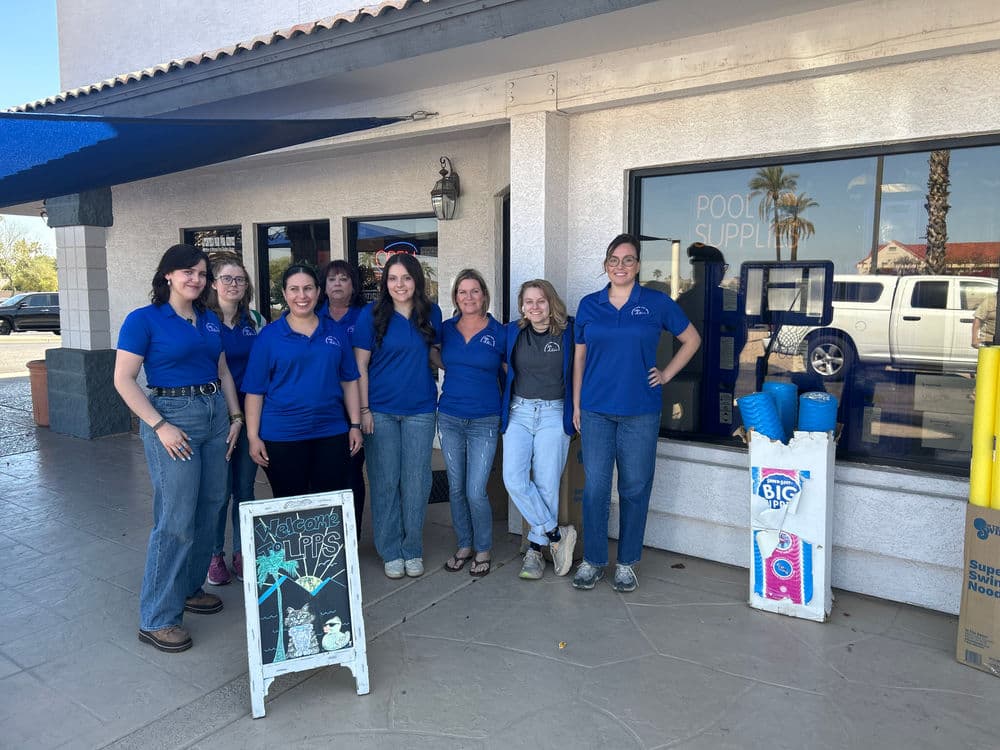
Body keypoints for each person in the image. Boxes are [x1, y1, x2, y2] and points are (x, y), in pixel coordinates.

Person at [113, 243, 244, 653]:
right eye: (188, 271)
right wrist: (159, 425)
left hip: (214, 415)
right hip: (173, 416)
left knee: (211, 507)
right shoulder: (145, 320)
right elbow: (123, 380)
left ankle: (189, 588)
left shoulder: (207, 320)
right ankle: (157, 617)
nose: (196, 279)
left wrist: (236, 417)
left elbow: (222, 370)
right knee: (175, 517)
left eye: (202, 274)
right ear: (167, 275)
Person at [572, 233, 701, 593]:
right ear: (605, 265)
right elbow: (579, 358)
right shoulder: (589, 305)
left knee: (634, 487)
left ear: (638, 265)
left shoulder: (656, 303)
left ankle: (627, 562)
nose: (621, 266)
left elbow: (692, 339)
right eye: (614, 260)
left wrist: (667, 374)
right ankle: (594, 560)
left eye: (628, 260)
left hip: (640, 411)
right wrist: (577, 404)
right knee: (596, 488)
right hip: (596, 410)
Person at [353, 253, 442, 579]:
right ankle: (390, 549)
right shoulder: (371, 315)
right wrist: (363, 411)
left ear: (416, 280)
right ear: (384, 282)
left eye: (406, 278)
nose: (400, 284)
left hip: (420, 408)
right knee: (385, 481)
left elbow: (438, 354)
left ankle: (412, 548)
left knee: (417, 482)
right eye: (393, 278)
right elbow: (359, 366)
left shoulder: (431, 313)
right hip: (381, 411)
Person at [242, 263, 363, 501]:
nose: (301, 296)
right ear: (285, 294)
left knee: (329, 503)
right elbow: (255, 392)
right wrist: (253, 437)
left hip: (331, 432)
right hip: (282, 435)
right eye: (294, 289)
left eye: (308, 288)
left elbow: (349, 381)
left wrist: (355, 425)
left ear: (318, 292)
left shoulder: (335, 332)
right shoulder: (269, 336)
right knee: (290, 503)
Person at [501, 279, 577, 580]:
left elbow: (585, 364)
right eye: (528, 301)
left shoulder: (570, 331)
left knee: (546, 482)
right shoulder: (512, 332)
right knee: (514, 478)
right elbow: (500, 366)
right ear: (522, 306)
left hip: (554, 411)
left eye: (540, 300)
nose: (534, 306)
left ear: (552, 303)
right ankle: (557, 536)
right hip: (519, 411)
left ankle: (535, 551)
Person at [437, 269, 506, 577]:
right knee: (455, 486)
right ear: (455, 297)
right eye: (462, 292)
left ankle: (483, 548)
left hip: (484, 419)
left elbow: (513, 369)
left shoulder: (498, 331)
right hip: (449, 415)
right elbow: (431, 353)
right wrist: (454, 368)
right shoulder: (446, 329)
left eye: (474, 291)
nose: (468, 297)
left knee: (476, 489)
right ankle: (464, 544)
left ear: (484, 295)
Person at [205, 254, 264, 586]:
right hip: (216, 417)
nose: (234, 285)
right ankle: (214, 554)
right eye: (227, 279)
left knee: (244, 487)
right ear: (214, 284)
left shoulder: (255, 320)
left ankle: (243, 553)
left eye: (240, 280)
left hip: (251, 414)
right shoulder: (202, 321)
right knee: (219, 489)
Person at [317, 260, 369, 534]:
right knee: (323, 475)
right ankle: (325, 538)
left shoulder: (365, 317)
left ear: (353, 285)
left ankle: (351, 537)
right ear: (323, 287)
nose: (337, 284)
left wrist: (362, 411)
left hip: (354, 406)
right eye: (331, 279)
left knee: (351, 473)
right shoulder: (311, 317)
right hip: (321, 407)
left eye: (344, 279)